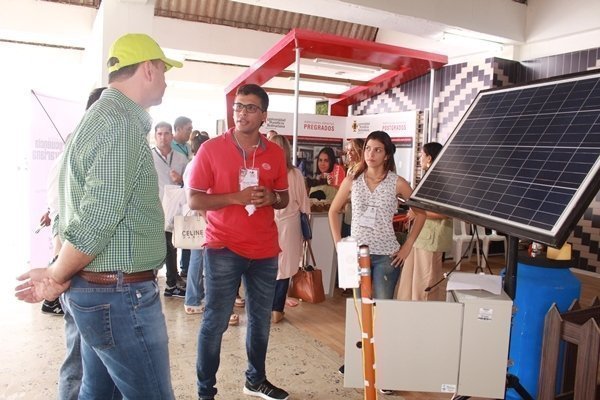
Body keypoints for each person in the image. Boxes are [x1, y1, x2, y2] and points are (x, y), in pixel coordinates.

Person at [15, 33, 182, 399]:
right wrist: (58, 275)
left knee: (97, 391)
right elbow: (97, 218)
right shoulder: (120, 124)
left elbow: (67, 203)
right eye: (165, 71)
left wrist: (62, 269)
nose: (167, 80)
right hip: (120, 294)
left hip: (102, 290)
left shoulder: (98, 119)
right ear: (149, 69)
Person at [187, 83, 290, 400]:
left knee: (260, 322)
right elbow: (193, 200)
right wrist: (236, 197)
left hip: (264, 250)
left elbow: (284, 198)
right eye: (238, 107)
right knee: (215, 322)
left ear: (263, 115)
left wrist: (271, 196)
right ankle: (206, 391)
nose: (241, 113)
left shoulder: (274, 152)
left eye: (250, 108)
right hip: (223, 247)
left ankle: (255, 380)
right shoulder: (211, 149)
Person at [328, 130, 426, 299]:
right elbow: (333, 211)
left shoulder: (397, 182)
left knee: (382, 309)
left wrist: (408, 246)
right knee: (359, 309)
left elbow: (421, 214)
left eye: (377, 150)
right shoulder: (352, 180)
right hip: (356, 253)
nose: (370, 154)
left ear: (387, 155)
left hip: (387, 255)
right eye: (368, 148)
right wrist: (339, 245)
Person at [397, 142, 453, 301]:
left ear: (429, 157)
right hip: (419, 235)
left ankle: (423, 313)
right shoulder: (428, 178)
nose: (420, 159)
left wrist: (418, 212)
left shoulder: (442, 180)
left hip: (430, 238)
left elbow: (445, 212)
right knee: (410, 277)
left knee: (425, 279)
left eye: (422, 155)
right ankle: (409, 310)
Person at [268, 134, 310, 323]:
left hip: (268, 224)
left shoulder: (266, 172)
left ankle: (266, 306)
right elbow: (304, 204)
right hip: (291, 226)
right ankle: (277, 308)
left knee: (268, 265)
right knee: (284, 268)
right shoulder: (295, 174)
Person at [152, 121, 189, 298]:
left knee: (172, 245)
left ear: (172, 136)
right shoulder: (148, 157)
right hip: (153, 207)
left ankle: (171, 282)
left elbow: (189, 183)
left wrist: (180, 179)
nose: (163, 137)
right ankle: (167, 282)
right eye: (160, 134)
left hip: (174, 210)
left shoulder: (181, 159)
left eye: (167, 133)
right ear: (155, 136)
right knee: (156, 245)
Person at [183, 132, 210, 314]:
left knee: (197, 259)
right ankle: (193, 299)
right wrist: (207, 218)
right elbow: (197, 195)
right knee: (200, 260)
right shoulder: (198, 165)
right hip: (201, 216)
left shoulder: (190, 165)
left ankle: (193, 298)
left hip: (196, 215)